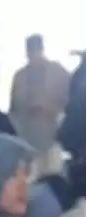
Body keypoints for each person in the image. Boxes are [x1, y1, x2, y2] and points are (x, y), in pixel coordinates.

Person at [11, 34, 71, 175]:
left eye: (35, 51)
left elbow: (71, 107)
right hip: (25, 139)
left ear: (41, 50)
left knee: (51, 178)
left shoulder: (59, 73)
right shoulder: (19, 76)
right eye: (30, 52)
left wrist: (49, 109)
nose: (32, 55)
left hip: (53, 139)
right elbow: (13, 110)